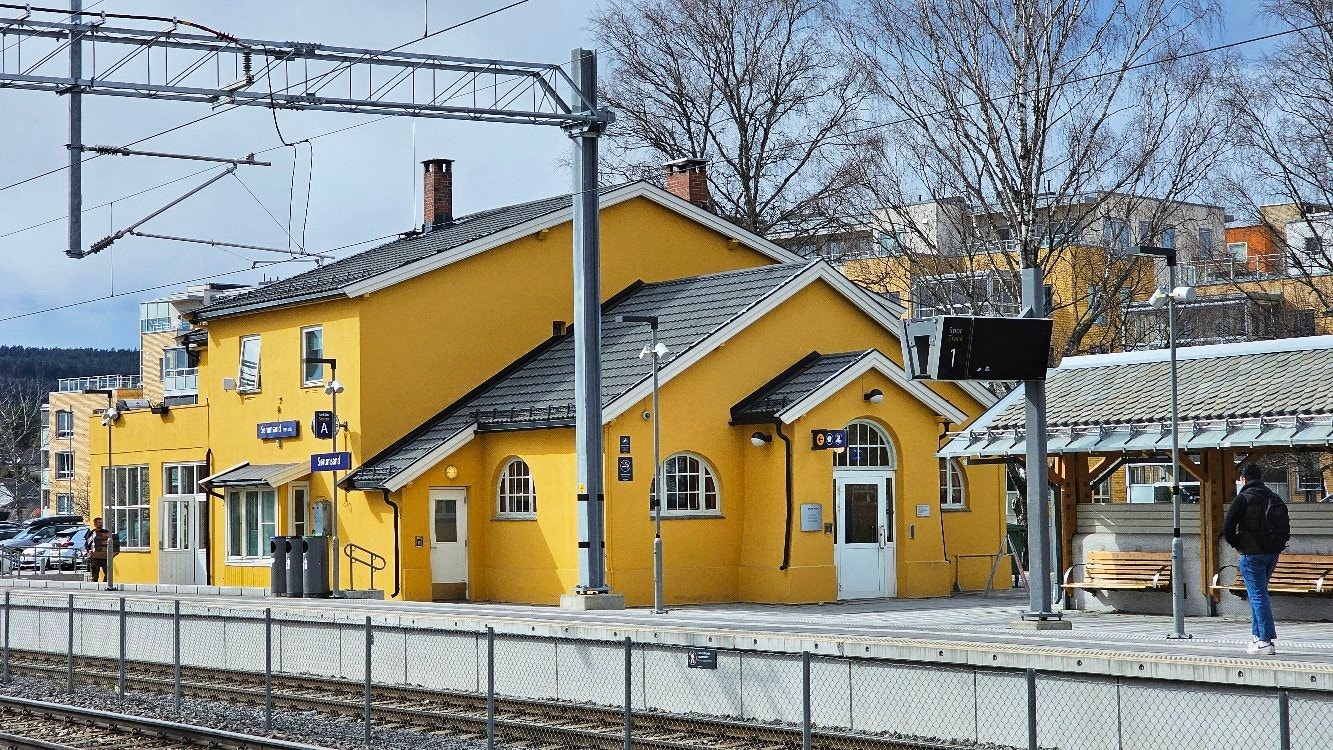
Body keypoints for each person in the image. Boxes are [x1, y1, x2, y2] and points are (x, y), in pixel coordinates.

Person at [1222, 464, 1290, 656]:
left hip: (1251, 556)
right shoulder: (1273, 496)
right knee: (1256, 594)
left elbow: (1227, 528)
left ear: (1243, 478)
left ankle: (1265, 641)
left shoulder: (1242, 498)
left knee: (1258, 595)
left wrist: (1238, 544)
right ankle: (1257, 636)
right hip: (1272, 554)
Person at [85, 517, 114, 584]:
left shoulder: (106, 532)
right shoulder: (91, 533)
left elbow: (112, 542)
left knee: (108, 574)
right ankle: (94, 589)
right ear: (95, 524)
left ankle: (105, 586)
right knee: (95, 575)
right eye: (99, 522)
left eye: (101, 522)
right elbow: (86, 544)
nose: (101, 524)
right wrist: (89, 551)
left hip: (105, 557)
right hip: (95, 558)